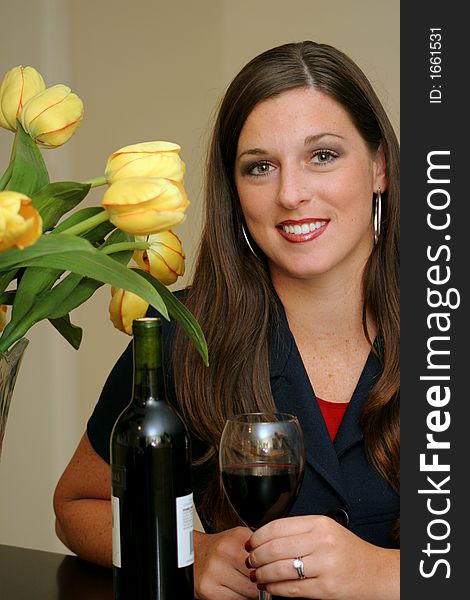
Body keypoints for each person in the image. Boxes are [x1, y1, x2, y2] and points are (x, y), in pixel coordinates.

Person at [53, 40, 400, 599]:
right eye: (260, 167)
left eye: (323, 155)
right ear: (235, 191)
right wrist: (194, 552)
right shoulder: (183, 335)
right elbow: (76, 508)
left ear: (379, 166)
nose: (291, 194)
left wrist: (391, 576)